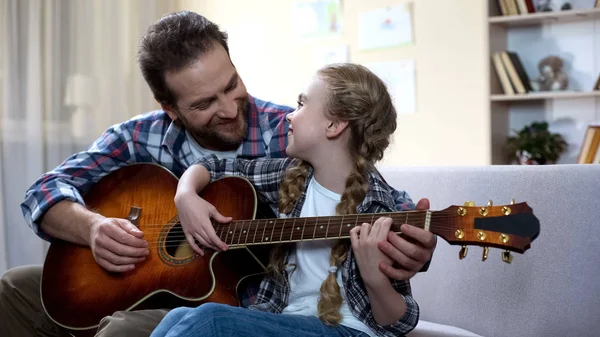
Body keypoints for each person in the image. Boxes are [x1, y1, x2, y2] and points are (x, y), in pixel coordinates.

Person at [0, 11, 436, 337]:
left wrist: (413, 250)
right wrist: (95, 227)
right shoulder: (138, 136)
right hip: (147, 281)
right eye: (204, 104)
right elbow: (42, 191)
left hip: (232, 301)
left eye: (231, 85)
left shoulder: (289, 135)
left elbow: (358, 191)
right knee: (15, 287)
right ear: (170, 109)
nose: (229, 109)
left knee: (129, 329)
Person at [151, 62, 419, 337]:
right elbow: (215, 166)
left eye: (302, 105)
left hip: (350, 331)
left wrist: (374, 278)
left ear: (334, 124)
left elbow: (398, 322)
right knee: (179, 315)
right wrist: (185, 194)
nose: (290, 116)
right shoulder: (291, 177)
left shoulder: (377, 207)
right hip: (287, 321)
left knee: (210, 320)